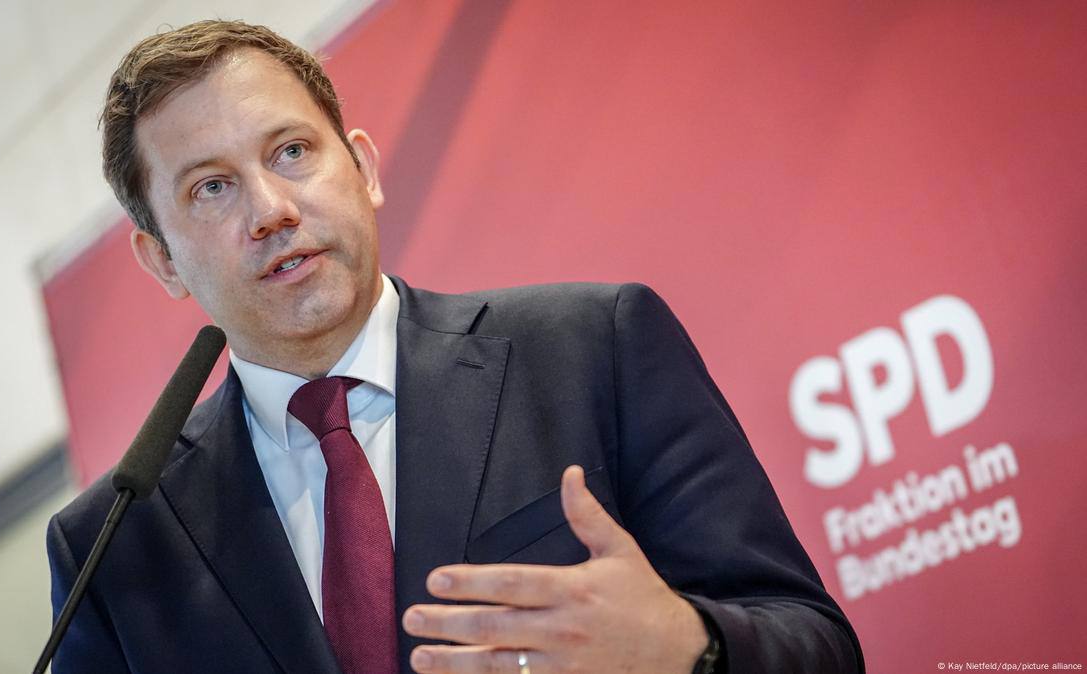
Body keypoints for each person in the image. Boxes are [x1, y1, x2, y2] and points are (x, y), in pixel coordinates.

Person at [47, 19, 864, 674]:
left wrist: (691, 649)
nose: (270, 210)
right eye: (211, 188)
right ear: (161, 260)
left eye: (291, 152)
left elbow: (814, 644)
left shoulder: (594, 349)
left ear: (362, 168)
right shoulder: (114, 545)